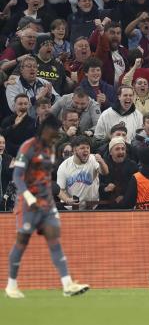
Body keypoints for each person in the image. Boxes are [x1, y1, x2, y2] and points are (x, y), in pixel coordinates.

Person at [5, 115, 89, 298]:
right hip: (27, 203)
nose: (55, 137)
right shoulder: (28, 147)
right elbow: (17, 176)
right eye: (54, 132)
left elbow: (44, 178)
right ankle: (11, 285)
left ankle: (67, 284)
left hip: (46, 203)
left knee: (54, 239)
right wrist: (28, 197)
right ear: (45, 130)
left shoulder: (51, 149)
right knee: (22, 241)